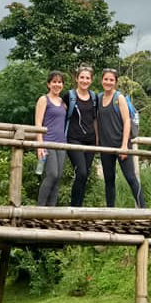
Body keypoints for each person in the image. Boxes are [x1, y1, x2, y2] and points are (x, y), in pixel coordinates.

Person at [97, 68, 146, 208]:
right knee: (109, 180)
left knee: (131, 178)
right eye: (106, 79)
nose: (108, 82)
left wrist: (124, 145)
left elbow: (127, 122)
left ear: (115, 82)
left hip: (121, 144)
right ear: (101, 80)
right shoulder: (99, 98)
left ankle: (144, 210)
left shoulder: (119, 98)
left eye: (111, 80)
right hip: (105, 146)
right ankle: (110, 211)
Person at [63, 65, 98, 207]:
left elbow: (95, 119)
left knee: (84, 176)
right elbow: (60, 114)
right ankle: (74, 207)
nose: (84, 80)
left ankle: (79, 207)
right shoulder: (69, 96)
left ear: (91, 80)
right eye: (82, 77)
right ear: (77, 79)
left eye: (87, 78)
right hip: (73, 139)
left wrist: (97, 140)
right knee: (81, 172)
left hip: (90, 141)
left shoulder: (94, 97)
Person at [35, 71, 67, 206]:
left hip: (62, 143)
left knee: (58, 177)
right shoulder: (44, 100)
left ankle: (51, 210)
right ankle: (40, 208)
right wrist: (40, 145)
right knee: (52, 174)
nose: (57, 84)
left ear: (63, 85)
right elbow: (38, 123)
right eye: (54, 81)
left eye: (59, 82)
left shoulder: (63, 103)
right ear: (48, 84)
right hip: (48, 141)